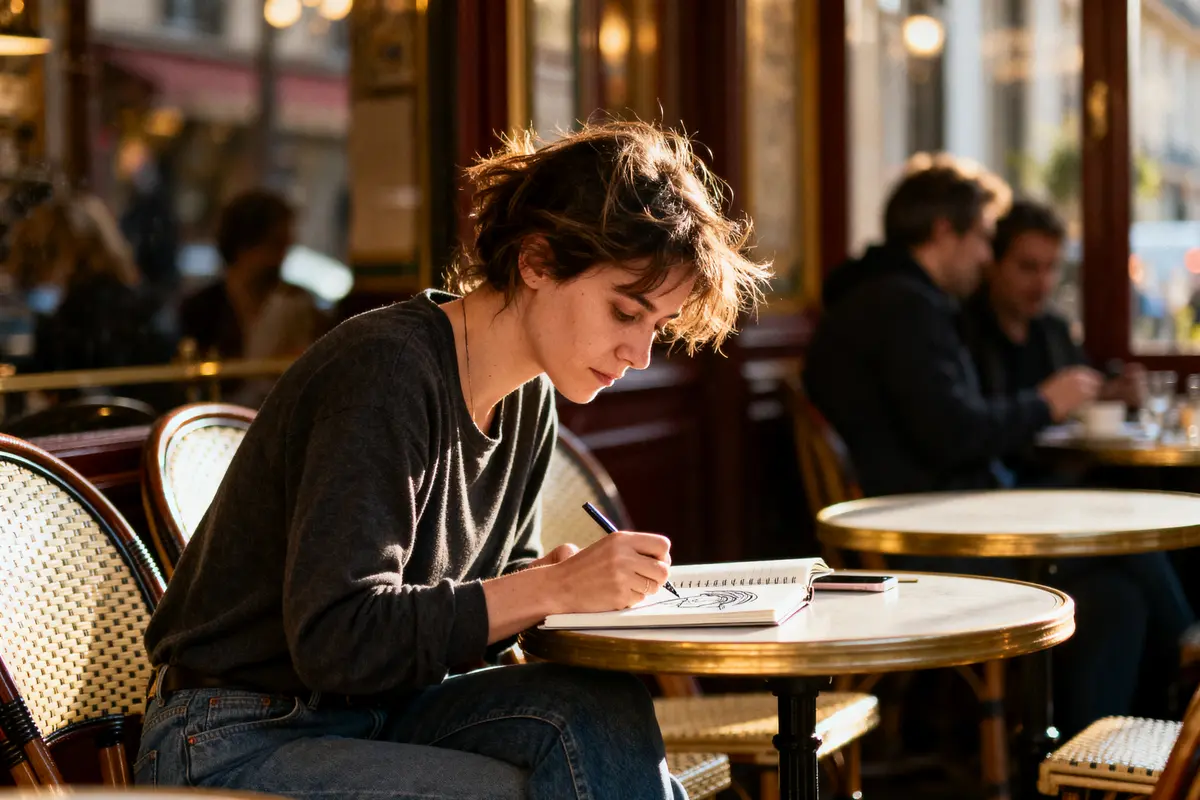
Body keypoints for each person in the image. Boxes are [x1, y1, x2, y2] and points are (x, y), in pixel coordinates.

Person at [137, 121, 771, 799]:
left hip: (378, 712)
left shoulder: (530, 400)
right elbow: (339, 638)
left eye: (657, 328)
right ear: (536, 261)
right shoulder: (384, 371)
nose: (639, 354)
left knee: (601, 707)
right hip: (233, 736)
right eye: (625, 312)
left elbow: (488, 607)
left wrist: (555, 586)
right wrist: (549, 591)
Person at [803, 155, 1187, 738]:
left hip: (927, 518)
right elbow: (956, 434)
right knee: (1121, 544)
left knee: (1117, 592)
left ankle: (1096, 761)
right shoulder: (905, 307)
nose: (986, 256)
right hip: (926, 536)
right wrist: (1044, 403)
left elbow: (948, 429)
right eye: (983, 238)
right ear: (943, 233)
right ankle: (1181, 678)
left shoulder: (878, 300)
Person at [179, 189, 328, 405]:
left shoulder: (298, 304)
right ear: (243, 247)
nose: (282, 257)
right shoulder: (201, 309)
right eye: (275, 245)